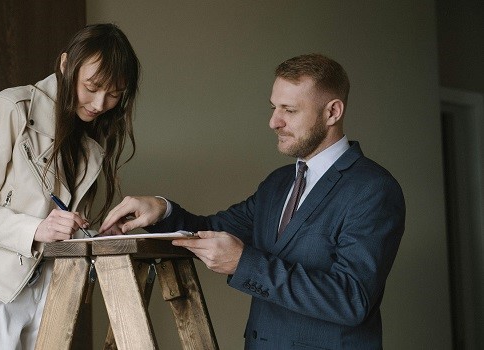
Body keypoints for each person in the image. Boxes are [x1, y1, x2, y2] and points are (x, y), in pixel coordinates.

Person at [100, 53, 405, 349]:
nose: (274, 122)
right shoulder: (277, 183)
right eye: (274, 107)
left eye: (289, 110)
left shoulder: (373, 189)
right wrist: (161, 209)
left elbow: (351, 299)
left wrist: (245, 263)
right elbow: (211, 230)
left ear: (332, 112)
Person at [0, 23, 140, 349]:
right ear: (65, 65)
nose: (99, 102)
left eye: (114, 94)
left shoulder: (90, 142)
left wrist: (94, 236)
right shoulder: (10, 109)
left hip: (51, 289)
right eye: (92, 87)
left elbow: (62, 223)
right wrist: (37, 229)